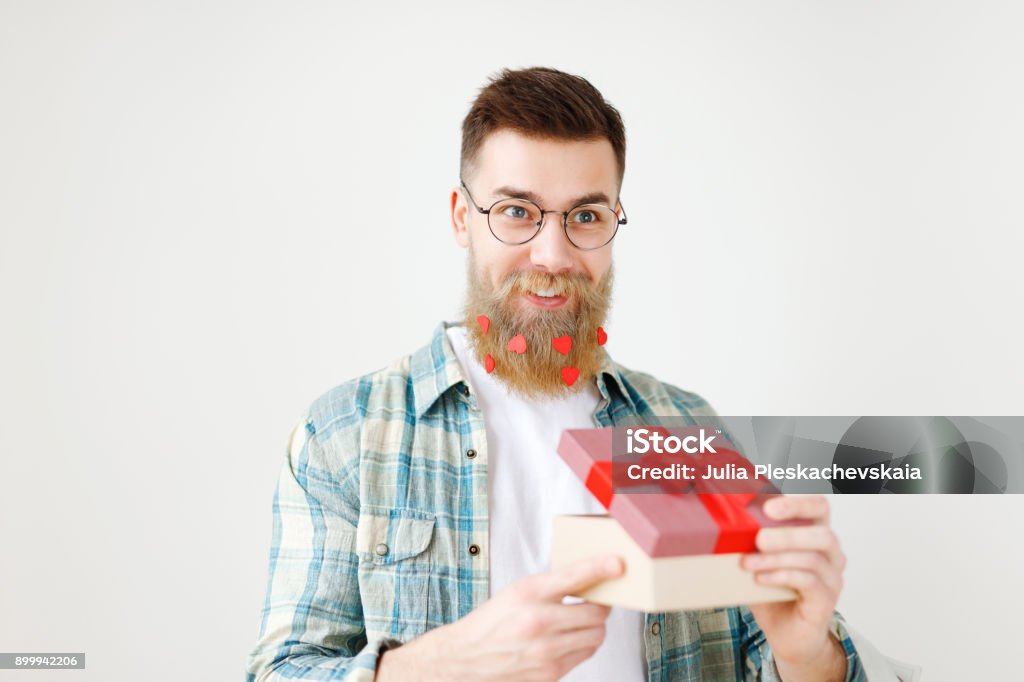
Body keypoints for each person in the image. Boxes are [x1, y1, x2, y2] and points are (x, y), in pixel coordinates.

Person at [246, 66, 866, 682]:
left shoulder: (684, 427)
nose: (553, 254)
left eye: (585, 217)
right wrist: (440, 665)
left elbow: (768, 657)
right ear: (462, 217)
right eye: (517, 211)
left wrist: (807, 655)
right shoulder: (345, 435)